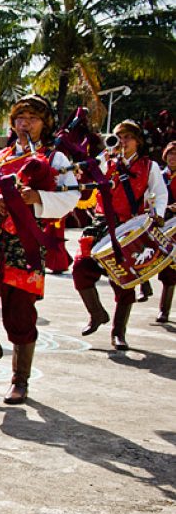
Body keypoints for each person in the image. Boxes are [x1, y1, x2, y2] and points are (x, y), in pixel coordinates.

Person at [0, 94, 80, 404]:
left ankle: (20, 380)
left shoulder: (56, 160)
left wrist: (37, 198)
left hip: (26, 244)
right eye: (20, 118)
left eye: (33, 119)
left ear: (44, 124)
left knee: (20, 317)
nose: (25, 124)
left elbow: (71, 197)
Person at [72, 120, 167, 350]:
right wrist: (101, 161)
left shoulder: (149, 166)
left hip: (128, 227)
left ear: (138, 141)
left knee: (124, 282)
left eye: (127, 137)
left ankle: (118, 333)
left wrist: (159, 215)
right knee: (81, 268)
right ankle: (96, 314)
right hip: (103, 223)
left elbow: (160, 193)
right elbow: (90, 180)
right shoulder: (107, 161)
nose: (122, 142)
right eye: (118, 137)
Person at [154, 141, 176, 323]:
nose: (173, 157)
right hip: (161, 225)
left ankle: (164, 310)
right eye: (170, 154)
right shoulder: (159, 175)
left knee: (171, 270)